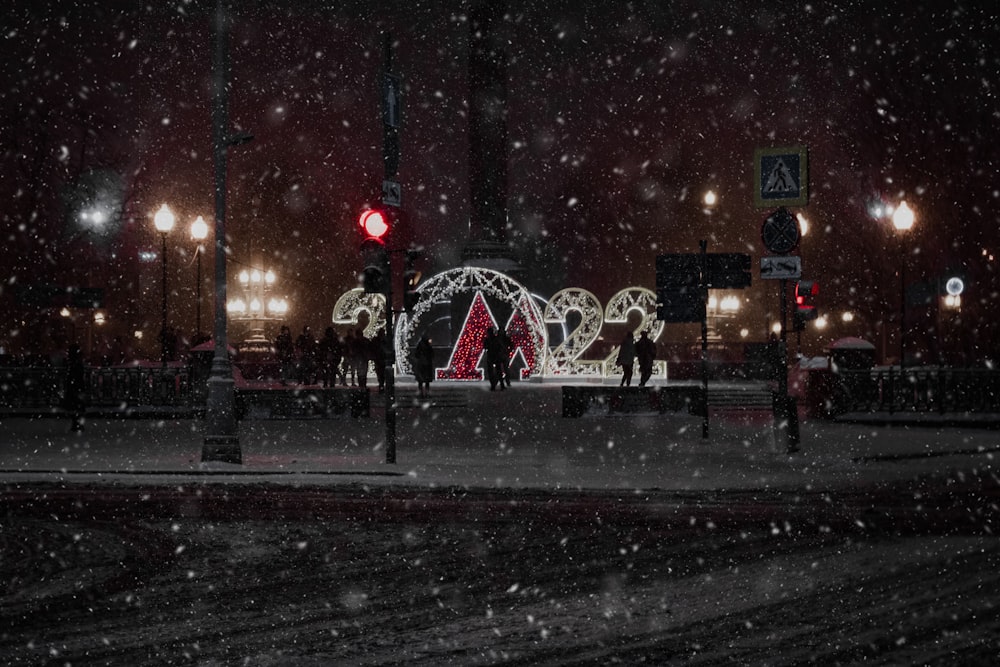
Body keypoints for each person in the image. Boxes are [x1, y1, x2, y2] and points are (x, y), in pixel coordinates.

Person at [64, 344, 86, 432]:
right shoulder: (77, 363)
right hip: (77, 387)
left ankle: (76, 424)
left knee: (75, 406)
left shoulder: (73, 363)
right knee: (77, 406)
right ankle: (77, 424)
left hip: (74, 387)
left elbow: (73, 375)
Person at [483, 327, 505, 391]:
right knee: (498, 371)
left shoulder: (488, 340)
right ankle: (501, 384)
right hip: (496, 356)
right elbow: (500, 347)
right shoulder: (496, 339)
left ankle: (494, 385)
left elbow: (485, 347)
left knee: (492, 372)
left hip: (491, 356)